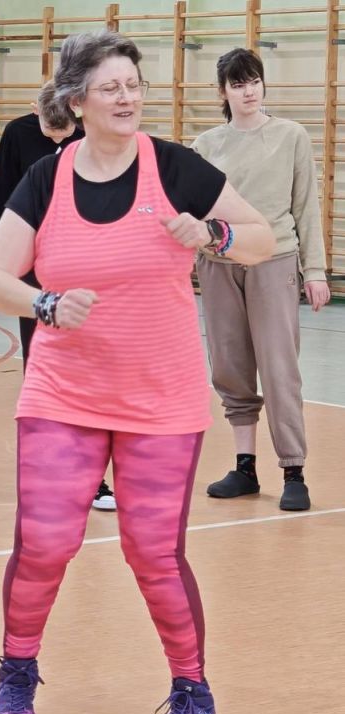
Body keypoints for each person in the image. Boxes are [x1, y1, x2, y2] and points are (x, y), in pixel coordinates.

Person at [0, 31, 275, 714]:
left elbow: (261, 237)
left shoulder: (174, 167)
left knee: (153, 552)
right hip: (62, 394)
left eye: (134, 86)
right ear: (76, 100)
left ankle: (192, 695)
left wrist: (211, 234)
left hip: (160, 399)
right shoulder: (45, 178)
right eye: (110, 88)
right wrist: (46, 304)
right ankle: (16, 673)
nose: (126, 98)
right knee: (45, 543)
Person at [0, 81, 115, 511]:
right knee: (42, 374)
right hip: (35, 274)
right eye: (50, 134)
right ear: (35, 112)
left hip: (86, 271)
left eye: (65, 135)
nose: (58, 142)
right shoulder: (18, 134)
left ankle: (94, 478)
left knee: (90, 373)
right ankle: (52, 472)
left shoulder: (94, 135)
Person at [193, 48, 331, 512]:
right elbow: (194, 210)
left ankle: (294, 470)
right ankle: (245, 467)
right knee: (229, 367)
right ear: (223, 92)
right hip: (218, 265)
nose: (249, 91)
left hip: (275, 261)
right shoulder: (207, 145)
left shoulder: (291, 136)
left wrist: (315, 270)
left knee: (279, 369)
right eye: (238, 84)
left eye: (254, 81)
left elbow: (305, 205)